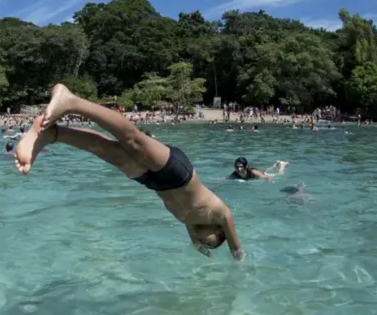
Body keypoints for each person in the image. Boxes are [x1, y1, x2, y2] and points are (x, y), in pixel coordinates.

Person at [15, 84, 244, 259]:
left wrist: (204, 254)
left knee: (104, 150)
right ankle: (71, 101)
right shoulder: (218, 214)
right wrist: (237, 254)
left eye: (205, 244)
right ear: (221, 232)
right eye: (212, 242)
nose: (205, 242)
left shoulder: (189, 223)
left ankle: (52, 134)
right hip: (178, 174)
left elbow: (198, 242)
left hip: (154, 183)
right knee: (132, 140)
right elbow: (233, 238)